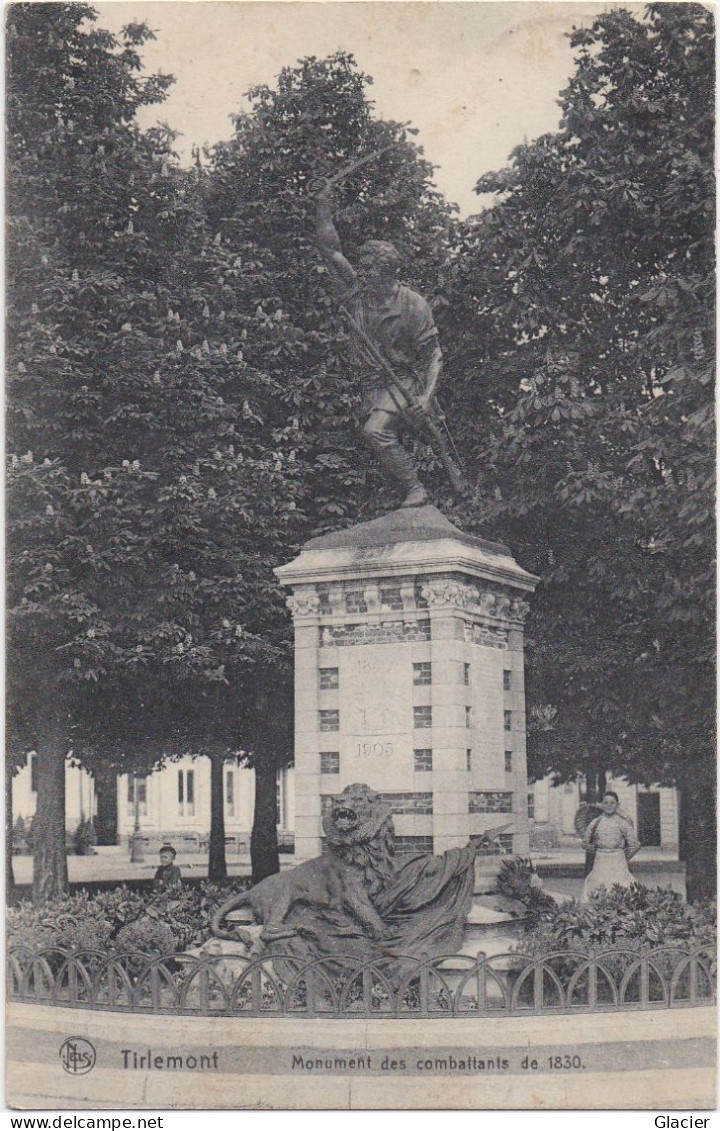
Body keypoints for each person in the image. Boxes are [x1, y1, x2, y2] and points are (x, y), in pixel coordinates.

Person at [315, 184, 443, 508]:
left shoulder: (413, 304)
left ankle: (416, 488)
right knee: (373, 443)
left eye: (370, 269)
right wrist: (323, 203)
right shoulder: (360, 293)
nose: (363, 274)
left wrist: (426, 399)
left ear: (386, 272)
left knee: (375, 432)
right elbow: (331, 251)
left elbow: (435, 355)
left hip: (405, 382)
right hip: (373, 383)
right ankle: (406, 490)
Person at [581, 791, 640, 901]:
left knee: (620, 886)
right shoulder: (595, 822)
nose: (609, 805)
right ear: (602, 804)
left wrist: (625, 857)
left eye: (612, 803)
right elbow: (584, 843)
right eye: (606, 802)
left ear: (617, 805)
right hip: (600, 861)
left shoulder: (623, 823)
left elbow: (635, 844)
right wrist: (595, 850)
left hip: (618, 861)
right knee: (598, 887)